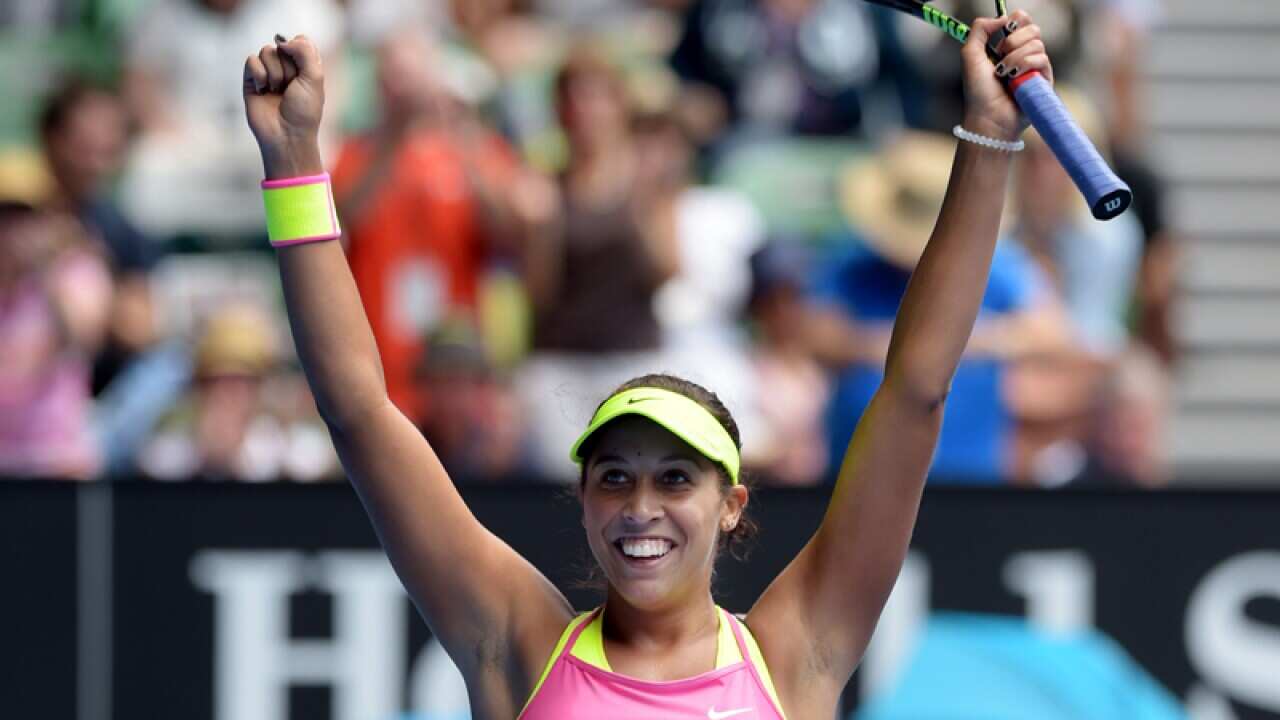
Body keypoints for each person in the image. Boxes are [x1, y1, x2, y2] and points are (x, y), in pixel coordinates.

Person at [242, 10, 1053, 715]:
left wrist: (988, 137)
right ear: (585, 500)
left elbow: (915, 391)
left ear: (731, 504)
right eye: (616, 477)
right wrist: (293, 163)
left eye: (675, 478)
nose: (640, 506)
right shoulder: (514, 641)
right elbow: (357, 408)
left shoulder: (795, 652)